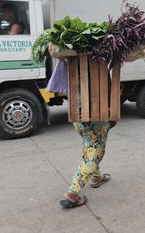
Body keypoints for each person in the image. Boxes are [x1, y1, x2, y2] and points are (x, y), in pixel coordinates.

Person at [48, 57, 115, 208]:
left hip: (77, 113)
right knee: (95, 151)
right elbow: (108, 89)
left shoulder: (69, 59)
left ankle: (96, 177)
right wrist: (112, 112)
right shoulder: (99, 60)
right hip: (96, 112)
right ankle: (73, 193)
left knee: (89, 145)